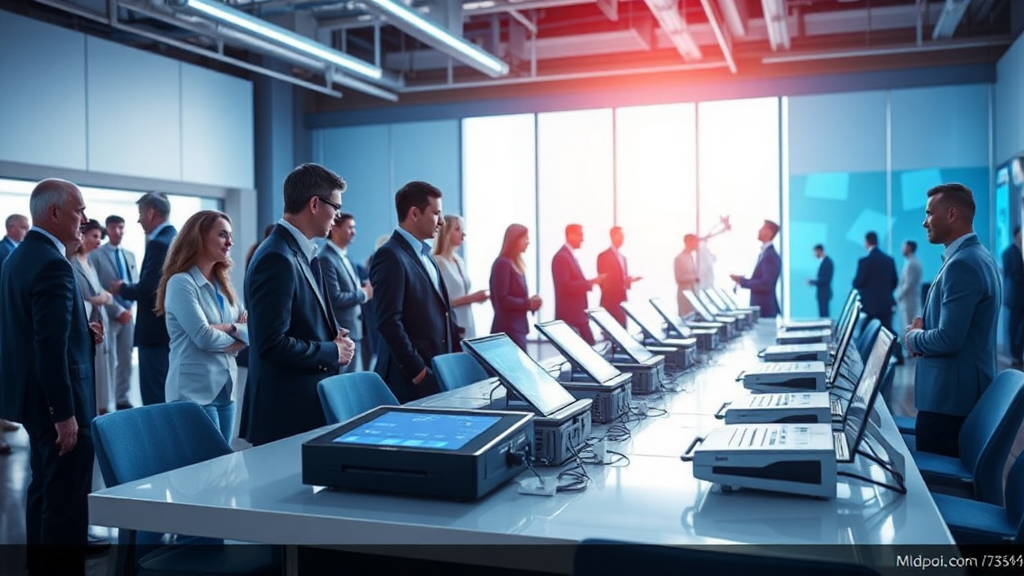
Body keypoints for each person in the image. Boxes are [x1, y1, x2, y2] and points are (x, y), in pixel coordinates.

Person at [0, 179, 95, 576]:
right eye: (79, 210)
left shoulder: (18, 257)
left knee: (42, 489)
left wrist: (84, 332)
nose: (85, 219)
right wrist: (64, 413)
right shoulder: (53, 263)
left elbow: (30, 331)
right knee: (66, 502)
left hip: (31, 398)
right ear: (54, 213)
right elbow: (49, 345)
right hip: (58, 402)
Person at [243, 163, 355, 446]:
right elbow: (271, 344)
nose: (338, 215)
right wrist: (332, 350)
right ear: (315, 204)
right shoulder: (276, 257)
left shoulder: (297, 252)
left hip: (301, 407)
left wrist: (331, 334)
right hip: (285, 415)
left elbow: (299, 320)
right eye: (336, 206)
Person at [904, 183, 1001, 457]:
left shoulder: (962, 264)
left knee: (933, 481)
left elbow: (948, 338)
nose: (924, 222)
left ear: (951, 214)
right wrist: (926, 327)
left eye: (929, 213)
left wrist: (913, 337)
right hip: (956, 399)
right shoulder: (977, 256)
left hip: (948, 404)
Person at [156, 211, 248, 443]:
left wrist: (227, 328)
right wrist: (237, 332)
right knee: (204, 463)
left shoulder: (224, 285)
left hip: (226, 390)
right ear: (200, 237)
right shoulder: (181, 282)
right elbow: (204, 337)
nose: (230, 242)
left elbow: (251, 330)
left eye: (230, 236)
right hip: (193, 392)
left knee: (224, 462)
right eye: (222, 235)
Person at [370, 181, 461, 403]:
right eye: (436, 213)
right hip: (409, 379)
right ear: (414, 214)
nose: (441, 221)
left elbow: (444, 312)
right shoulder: (390, 255)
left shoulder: (426, 255)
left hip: (437, 371)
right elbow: (388, 321)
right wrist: (417, 371)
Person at [109, 192, 177, 406]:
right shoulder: (175, 238)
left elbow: (149, 288)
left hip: (154, 331)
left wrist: (122, 288)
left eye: (140, 214)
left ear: (151, 213)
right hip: (169, 330)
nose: (138, 220)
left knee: (154, 397)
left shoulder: (158, 243)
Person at [71, 219, 123, 416]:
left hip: (100, 323)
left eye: (100, 237)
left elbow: (100, 292)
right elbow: (83, 297)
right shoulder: (72, 263)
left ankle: (101, 415)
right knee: (94, 375)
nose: (99, 241)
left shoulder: (89, 261)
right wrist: (98, 299)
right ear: (82, 236)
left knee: (104, 373)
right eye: (95, 236)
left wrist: (101, 297)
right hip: (88, 324)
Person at [90, 215, 138, 410]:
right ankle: (106, 401)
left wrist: (129, 308)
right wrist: (117, 310)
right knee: (108, 360)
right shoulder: (96, 255)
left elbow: (135, 283)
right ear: (107, 230)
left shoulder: (130, 255)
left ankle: (122, 398)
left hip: (128, 315)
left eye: (121, 227)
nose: (118, 231)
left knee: (126, 358)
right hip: (108, 315)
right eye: (113, 228)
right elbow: (97, 287)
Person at [321, 212, 373, 373]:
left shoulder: (346, 258)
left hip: (355, 331)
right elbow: (334, 297)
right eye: (350, 228)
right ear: (335, 229)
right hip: (341, 334)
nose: (354, 232)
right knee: (342, 381)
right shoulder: (326, 259)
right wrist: (364, 294)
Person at [0, 213, 29, 453]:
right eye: (23, 227)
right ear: (11, 228)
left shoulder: (16, 251)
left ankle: (2, 417)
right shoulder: (5, 251)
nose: (26, 232)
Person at [433, 215, 488, 339]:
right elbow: (438, 303)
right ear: (446, 233)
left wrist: (474, 298)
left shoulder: (459, 260)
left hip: (467, 323)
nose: (463, 234)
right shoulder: (437, 263)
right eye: (457, 229)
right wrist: (471, 298)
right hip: (452, 325)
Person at [490, 224, 542, 350]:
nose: (528, 242)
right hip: (508, 329)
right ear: (515, 239)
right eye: (526, 238)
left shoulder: (517, 264)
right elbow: (502, 299)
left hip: (518, 328)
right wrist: (528, 303)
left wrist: (532, 303)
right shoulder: (503, 263)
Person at [552, 223, 604, 344]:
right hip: (571, 318)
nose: (582, 239)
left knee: (589, 348)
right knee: (588, 348)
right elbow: (565, 286)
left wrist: (591, 282)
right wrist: (590, 283)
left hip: (578, 317)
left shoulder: (568, 256)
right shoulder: (562, 257)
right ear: (570, 235)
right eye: (580, 235)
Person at [853, 231, 899, 355]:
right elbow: (895, 281)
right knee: (887, 333)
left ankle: (864, 358)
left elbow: (858, 283)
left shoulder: (865, 261)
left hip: (869, 306)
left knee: (866, 336)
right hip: (885, 304)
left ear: (866, 242)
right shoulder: (889, 260)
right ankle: (897, 355)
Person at [730, 220, 782, 318]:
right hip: (762, 309)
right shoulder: (765, 254)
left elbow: (766, 284)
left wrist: (742, 281)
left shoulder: (770, 256)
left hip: (765, 310)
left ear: (769, 232)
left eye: (762, 228)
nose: (759, 230)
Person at [597, 226, 640, 327]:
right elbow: (604, 282)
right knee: (609, 332)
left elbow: (622, 279)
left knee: (623, 332)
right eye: (620, 236)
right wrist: (622, 281)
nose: (622, 238)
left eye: (623, 236)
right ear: (612, 236)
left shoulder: (623, 258)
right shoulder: (603, 256)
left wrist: (628, 281)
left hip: (622, 304)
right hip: (610, 304)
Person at [1002, 226, 1024, 368]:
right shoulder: (1008, 253)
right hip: (1015, 296)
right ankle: (1015, 356)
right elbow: (1011, 274)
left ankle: (1019, 354)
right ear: (1016, 235)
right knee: (1014, 326)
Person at [896, 240, 923, 330]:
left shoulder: (911, 263)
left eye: (904, 247)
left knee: (909, 325)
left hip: (909, 300)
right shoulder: (913, 261)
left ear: (909, 248)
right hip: (911, 299)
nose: (902, 249)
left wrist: (899, 296)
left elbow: (908, 284)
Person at [674, 234, 700, 317]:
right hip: (684, 294)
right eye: (695, 242)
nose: (697, 245)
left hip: (692, 293)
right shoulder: (679, 258)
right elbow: (678, 278)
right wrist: (694, 278)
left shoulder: (690, 257)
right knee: (686, 317)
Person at [807, 244, 834, 318]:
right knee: (822, 314)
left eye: (815, 252)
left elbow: (826, 279)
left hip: (824, 293)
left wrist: (813, 282)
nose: (814, 255)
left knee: (824, 314)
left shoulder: (828, 262)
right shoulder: (823, 262)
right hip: (821, 293)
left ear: (819, 251)